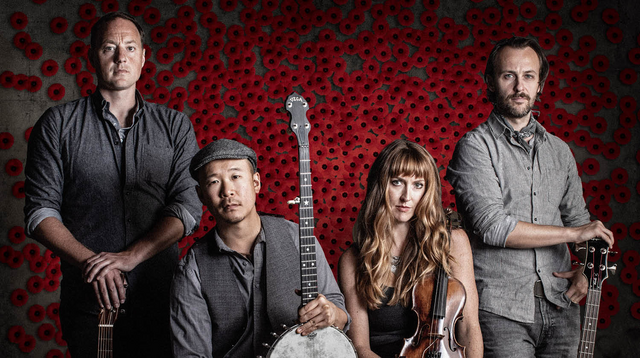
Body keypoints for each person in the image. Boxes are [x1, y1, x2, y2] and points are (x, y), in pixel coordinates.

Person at [23, 11, 201, 357]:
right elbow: (39, 213)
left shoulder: (175, 126)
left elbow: (187, 207)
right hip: (88, 300)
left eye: (131, 47)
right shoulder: (57, 125)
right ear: (92, 56)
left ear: (143, 57)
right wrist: (96, 264)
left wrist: (130, 257)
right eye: (109, 47)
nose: (121, 57)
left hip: (162, 298)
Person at [445, 36, 614, 357]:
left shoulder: (560, 152)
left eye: (528, 76)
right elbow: (492, 227)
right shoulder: (475, 147)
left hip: (562, 303)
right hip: (500, 309)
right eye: (508, 75)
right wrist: (576, 233)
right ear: (491, 83)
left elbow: (579, 222)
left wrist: (585, 265)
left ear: (540, 84)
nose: (519, 86)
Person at [170, 139, 349, 357]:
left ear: (256, 182)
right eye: (214, 182)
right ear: (200, 196)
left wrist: (332, 314)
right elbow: (192, 354)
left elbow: (340, 312)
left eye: (236, 177)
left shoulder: (297, 237)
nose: (227, 191)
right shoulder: (192, 268)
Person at [338, 139, 483, 358]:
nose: (407, 196)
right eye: (397, 182)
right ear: (381, 185)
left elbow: (469, 327)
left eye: (418, 185)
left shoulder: (452, 242)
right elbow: (360, 347)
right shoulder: (353, 259)